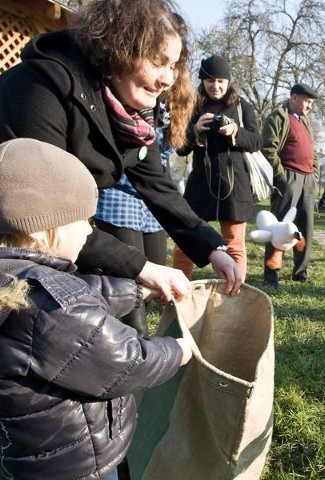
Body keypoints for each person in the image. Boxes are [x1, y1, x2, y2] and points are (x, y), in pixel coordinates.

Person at [0, 0, 242, 296]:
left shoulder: (134, 112)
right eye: (157, 61)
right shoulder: (42, 88)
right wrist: (143, 268)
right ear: (119, 47)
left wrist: (211, 246)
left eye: (173, 65)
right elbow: (46, 213)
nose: (167, 79)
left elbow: (158, 187)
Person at [0, 138, 193, 480]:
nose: (89, 232)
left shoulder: (18, 279)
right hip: (73, 463)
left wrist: (138, 292)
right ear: (46, 229)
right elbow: (127, 362)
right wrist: (178, 350)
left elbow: (83, 295)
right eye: (84, 221)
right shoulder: (53, 303)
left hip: (23, 456)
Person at [172, 54, 262, 282]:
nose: (216, 86)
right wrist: (195, 131)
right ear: (202, 81)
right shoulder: (192, 106)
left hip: (235, 184)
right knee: (186, 241)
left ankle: (235, 294)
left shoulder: (242, 106)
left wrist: (236, 132)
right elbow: (180, 148)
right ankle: (178, 293)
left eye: (221, 80)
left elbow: (257, 141)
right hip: (201, 183)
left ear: (228, 82)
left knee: (234, 245)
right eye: (210, 80)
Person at [92, 98, 175, 336]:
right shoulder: (115, 98)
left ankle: (121, 333)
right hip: (119, 196)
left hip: (151, 198)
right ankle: (135, 344)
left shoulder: (168, 105)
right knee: (130, 283)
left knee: (152, 285)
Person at [261, 83, 319, 289]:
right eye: (307, 101)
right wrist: (281, 176)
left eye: (312, 102)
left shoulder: (305, 121)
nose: (310, 106)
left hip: (308, 180)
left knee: (305, 228)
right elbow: (268, 148)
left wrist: (314, 174)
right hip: (288, 178)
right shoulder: (278, 117)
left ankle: (300, 271)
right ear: (294, 97)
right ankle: (271, 275)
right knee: (279, 228)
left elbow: (312, 150)